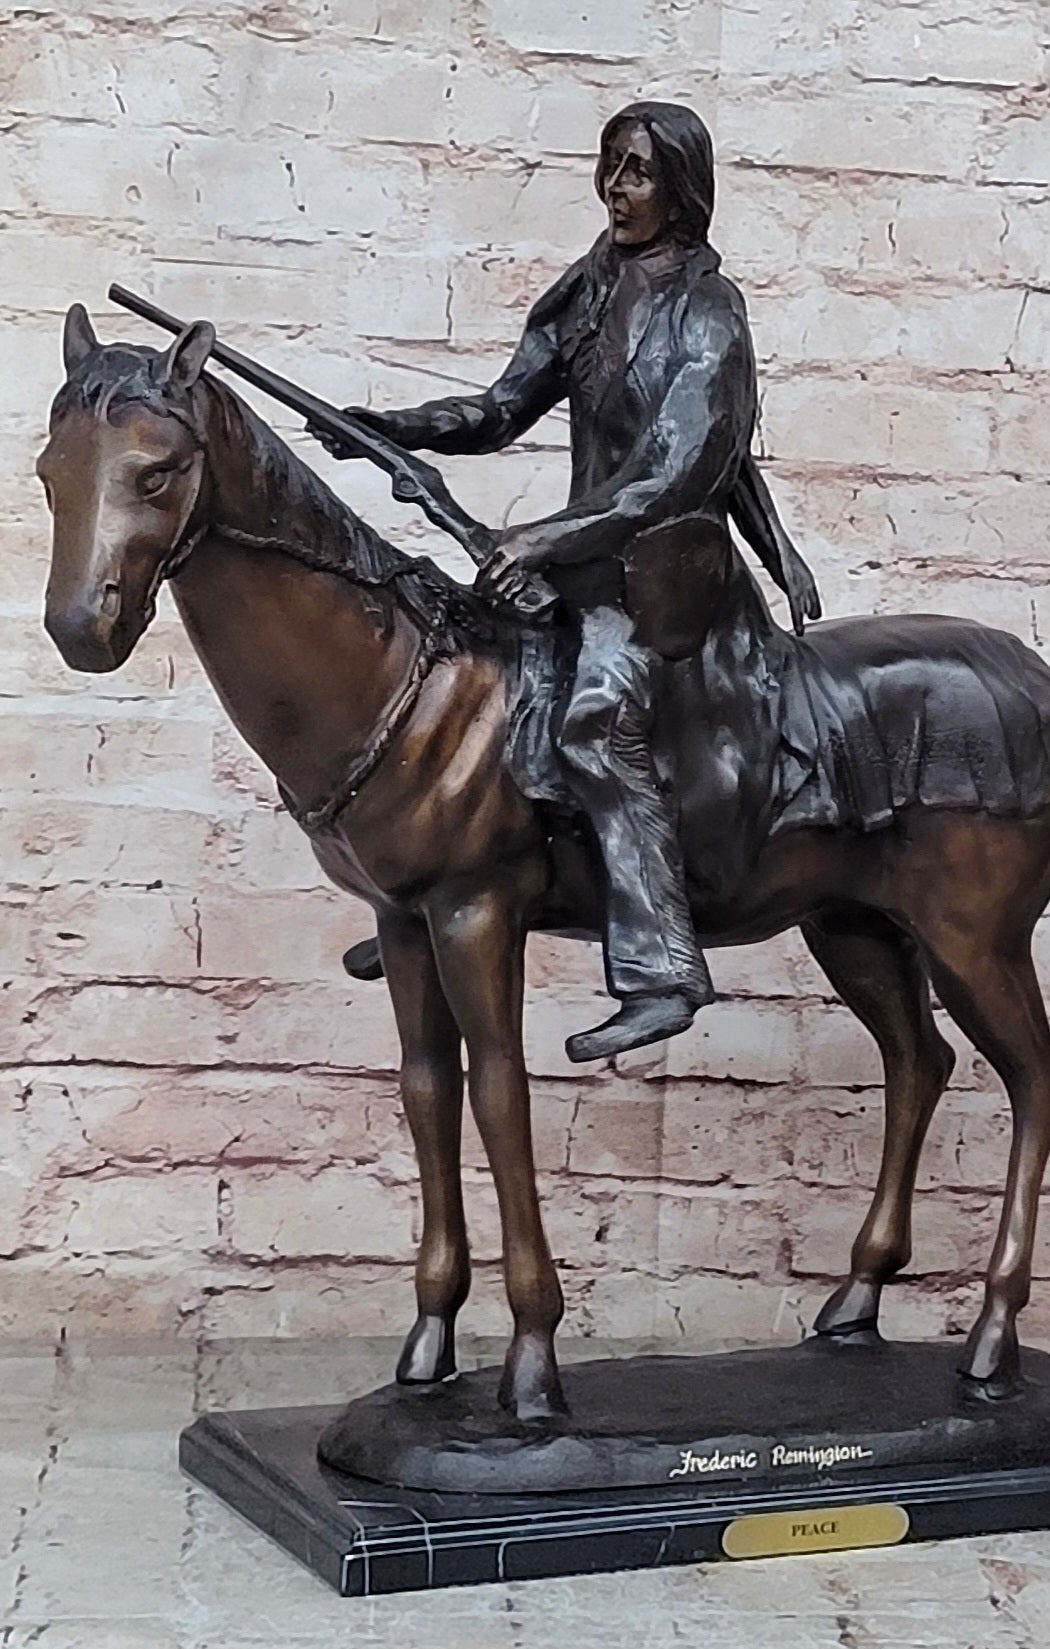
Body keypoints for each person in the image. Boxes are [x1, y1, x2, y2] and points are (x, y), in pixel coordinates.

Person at [314, 101, 820, 1063]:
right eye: (611, 168)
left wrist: (544, 539)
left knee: (595, 716)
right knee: (473, 684)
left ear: (680, 189)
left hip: (669, 587)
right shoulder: (589, 289)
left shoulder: (709, 314)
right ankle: (437, 885)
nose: (617, 190)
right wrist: (392, 426)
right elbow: (503, 408)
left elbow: (677, 469)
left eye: (637, 173)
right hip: (587, 565)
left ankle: (664, 970)